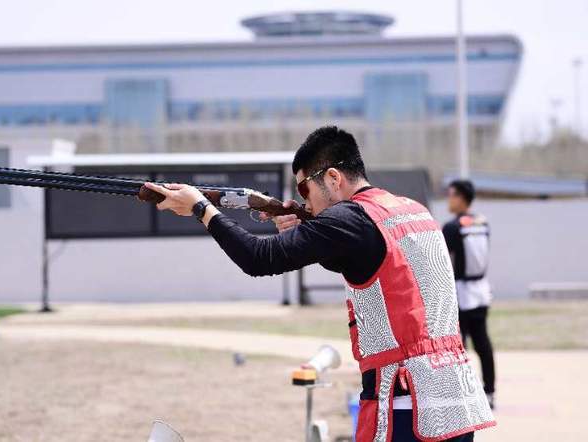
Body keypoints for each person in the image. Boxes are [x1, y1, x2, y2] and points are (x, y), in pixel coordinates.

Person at [144, 126, 495, 441]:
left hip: (408, 404)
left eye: (304, 188)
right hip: (456, 400)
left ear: (332, 178)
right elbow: (374, 266)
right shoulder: (409, 209)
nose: (304, 200)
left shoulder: (350, 219)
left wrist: (202, 208)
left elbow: (257, 259)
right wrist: (305, 234)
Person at [443, 180, 496, 409]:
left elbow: (443, 260)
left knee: (459, 346)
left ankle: (463, 394)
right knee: (483, 344)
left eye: (452, 195)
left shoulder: (453, 227)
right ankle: (490, 392)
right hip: (482, 291)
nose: (449, 199)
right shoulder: (482, 223)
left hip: (461, 293)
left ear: (462, 197)